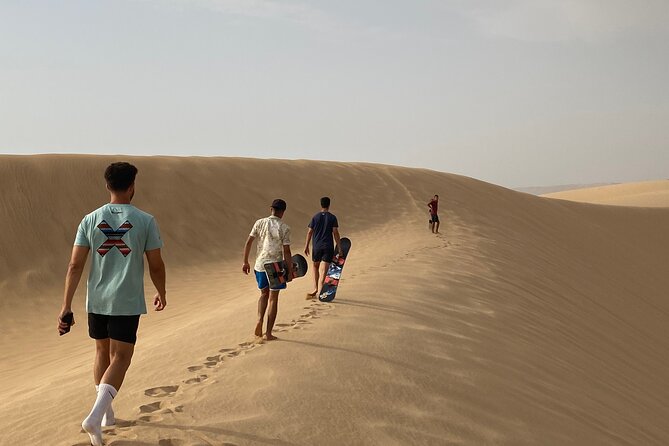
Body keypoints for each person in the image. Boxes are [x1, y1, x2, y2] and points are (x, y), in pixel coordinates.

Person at [57, 162, 166, 446]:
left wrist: (66, 306)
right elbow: (156, 264)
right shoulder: (145, 220)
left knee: (101, 351)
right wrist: (161, 292)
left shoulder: (90, 219)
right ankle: (95, 416)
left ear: (107, 186)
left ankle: (106, 415)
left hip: (97, 299)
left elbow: (74, 265)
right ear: (132, 186)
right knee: (122, 357)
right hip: (126, 300)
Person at [242, 199, 293, 341]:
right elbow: (287, 251)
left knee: (263, 294)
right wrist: (289, 270)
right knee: (273, 298)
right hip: (275, 265)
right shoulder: (284, 227)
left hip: (260, 265)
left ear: (271, 209)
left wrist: (245, 262)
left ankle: (259, 320)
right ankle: (268, 333)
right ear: (283, 212)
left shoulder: (259, 223)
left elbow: (248, 242)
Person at [303, 196, 342, 299]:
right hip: (328, 246)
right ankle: (320, 289)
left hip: (317, 246)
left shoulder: (315, 217)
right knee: (324, 270)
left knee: (315, 266)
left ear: (321, 205)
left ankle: (315, 288)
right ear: (329, 205)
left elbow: (310, 232)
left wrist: (306, 245)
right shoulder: (332, 217)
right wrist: (339, 247)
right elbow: (335, 232)